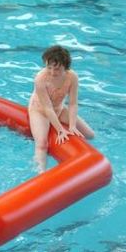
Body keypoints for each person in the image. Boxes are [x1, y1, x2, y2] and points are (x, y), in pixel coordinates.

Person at [28, 45, 95, 173]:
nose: (52, 72)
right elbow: (47, 108)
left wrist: (72, 125)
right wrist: (60, 130)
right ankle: (40, 174)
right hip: (40, 111)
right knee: (42, 144)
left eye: (57, 68)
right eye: (49, 67)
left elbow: (73, 103)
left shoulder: (72, 77)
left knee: (90, 134)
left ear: (66, 67)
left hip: (59, 108)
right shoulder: (40, 79)